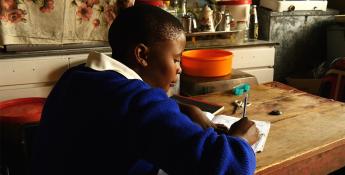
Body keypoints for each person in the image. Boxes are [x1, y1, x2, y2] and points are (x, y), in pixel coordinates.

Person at [32, 4, 258, 175]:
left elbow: (133, 115)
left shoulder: (79, 77)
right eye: (175, 59)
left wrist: (181, 109)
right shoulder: (134, 101)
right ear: (142, 55)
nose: (179, 69)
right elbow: (225, 166)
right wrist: (241, 141)